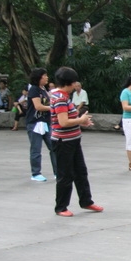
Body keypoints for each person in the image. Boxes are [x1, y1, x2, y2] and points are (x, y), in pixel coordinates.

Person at [49, 66, 103, 217]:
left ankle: (86, 201)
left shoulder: (63, 96)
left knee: (81, 172)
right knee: (65, 175)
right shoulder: (60, 98)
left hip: (73, 140)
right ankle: (61, 207)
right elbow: (63, 122)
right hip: (63, 142)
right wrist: (81, 120)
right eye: (74, 82)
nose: (75, 85)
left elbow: (69, 119)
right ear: (70, 82)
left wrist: (81, 122)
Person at [25, 68, 57, 182]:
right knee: (36, 149)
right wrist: (53, 108)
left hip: (45, 123)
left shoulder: (43, 89)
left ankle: (57, 172)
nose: (47, 77)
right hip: (35, 123)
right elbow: (38, 106)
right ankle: (36, 173)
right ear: (39, 77)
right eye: (45, 75)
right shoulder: (34, 89)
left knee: (54, 147)